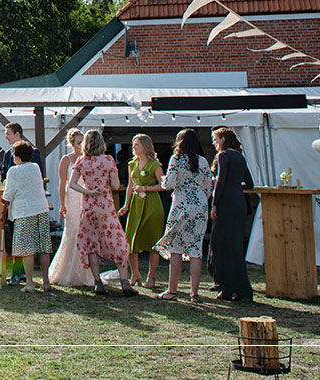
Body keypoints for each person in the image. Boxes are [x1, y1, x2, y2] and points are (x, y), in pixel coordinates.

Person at [68, 129, 137, 296]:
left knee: (92, 244)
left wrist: (88, 191)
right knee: (118, 241)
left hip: (89, 207)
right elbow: (115, 185)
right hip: (105, 207)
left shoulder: (81, 161)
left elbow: (72, 184)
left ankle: (98, 282)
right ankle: (124, 282)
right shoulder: (108, 160)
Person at [153, 129, 213, 304]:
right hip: (200, 204)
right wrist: (200, 198)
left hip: (181, 204)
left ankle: (172, 290)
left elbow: (169, 184)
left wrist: (163, 179)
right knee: (196, 248)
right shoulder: (203, 161)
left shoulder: (176, 160)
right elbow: (208, 187)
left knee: (176, 248)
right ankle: (194, 293)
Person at [209, 127, 255, 301]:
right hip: (239, 204)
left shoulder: (223, 156)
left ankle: (227, 287)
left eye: (215, 138)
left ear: (222, 139)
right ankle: (240, 289)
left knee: (221, 245)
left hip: (226, 204)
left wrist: (214, 203)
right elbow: (249, 184)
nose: (213, 142)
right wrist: (235, 185)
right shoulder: (239, 156)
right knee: (234, 246)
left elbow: (220, 181)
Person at [1, 140, 52, 292]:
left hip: (25, 212)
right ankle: (46, 281)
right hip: (41, 209)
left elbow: (8, 194)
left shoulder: (13, 171)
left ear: (17, 156)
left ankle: (29, 282)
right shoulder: (35, 167)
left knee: (26, 249)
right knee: (43, 247)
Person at [117, 133, 165, 288]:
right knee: (131, 240)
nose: (133, 147)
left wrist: (146, 188)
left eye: (136, 144)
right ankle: (135, 273)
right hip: (137, 204)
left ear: (145, 146)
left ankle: (151, 276)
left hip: (152, 204)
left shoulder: (154, 165)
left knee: (153, 240)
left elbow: (163, 185)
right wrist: (126, 205)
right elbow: (130, 186)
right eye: (133, 144)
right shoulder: (132, 164)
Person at [49, 129, 93, 286]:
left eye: (84, 143)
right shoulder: (66, 159)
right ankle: (66, 271)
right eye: (79, 143)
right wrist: (62, 204)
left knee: (86, 233)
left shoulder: (89, 159)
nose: (81, 146)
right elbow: (62, 183)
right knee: (72, 232)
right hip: (71, 199)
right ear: (72, 144)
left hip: (86, 198)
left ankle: (85, 271)